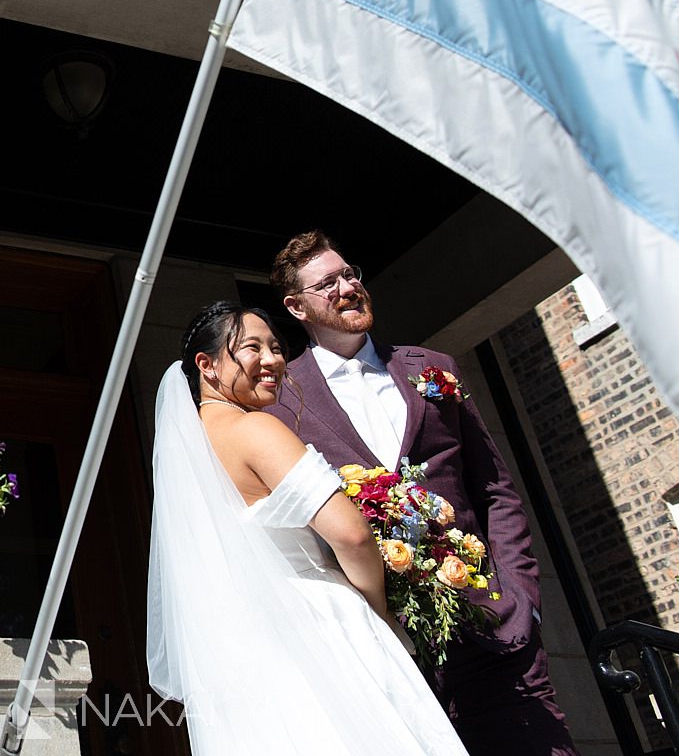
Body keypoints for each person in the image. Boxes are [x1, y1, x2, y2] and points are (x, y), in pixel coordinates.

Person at [269, 231, 579, 756]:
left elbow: (494, 489)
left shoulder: (432, 368)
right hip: (383, 645)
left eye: (351, 274)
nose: (347, 287)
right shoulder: (282, 399)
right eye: (328, 283)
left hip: (492, 629)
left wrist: (522, 597)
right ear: (297, 307)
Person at [146, 301, 470, 756]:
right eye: (252, 348)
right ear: (207, 365)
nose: (274, 360)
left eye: (277, 348)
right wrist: (378, 611)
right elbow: (351, 533)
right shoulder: (256, 428)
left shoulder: (188, 451)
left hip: (248, 647)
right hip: (320, 623)